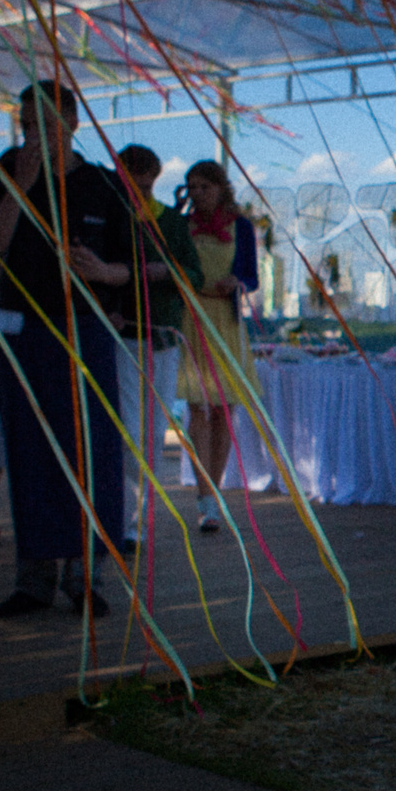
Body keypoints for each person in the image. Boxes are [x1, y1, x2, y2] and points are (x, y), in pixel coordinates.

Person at [0, 82, 136, 617]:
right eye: (24, 123)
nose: (33, 133)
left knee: (92, 454)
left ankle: (86, 573)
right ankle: (33, 576)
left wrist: (104, 272)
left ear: (71, 122)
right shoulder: (10, 175)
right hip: (26, 332)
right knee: (31, 450)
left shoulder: (105, 187)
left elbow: (139, 266)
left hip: (85, 331)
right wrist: (21, 182)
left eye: (43, 122)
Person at [114, 145, 202, 544]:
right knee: (129, 429)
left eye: (148, 177)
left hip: (165, 339)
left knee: (153, 431)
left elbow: (194, 275)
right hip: (124, 337)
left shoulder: (170, 221)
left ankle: (139, 520)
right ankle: (125, 518)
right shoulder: (116, 216)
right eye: (134, 177)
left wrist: (164, 270)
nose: (142, 185)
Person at [177, 159, 258, 534]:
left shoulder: (241, 227)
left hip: (225, 320)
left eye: (203, 187)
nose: (197, 194)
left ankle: (215, 493)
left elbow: (251, 276)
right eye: (191, 187)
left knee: (225, 410)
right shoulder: (183, 227)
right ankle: (203, 495)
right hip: (193, 319)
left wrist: (236, 281)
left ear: (221, 188)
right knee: (198, 409)